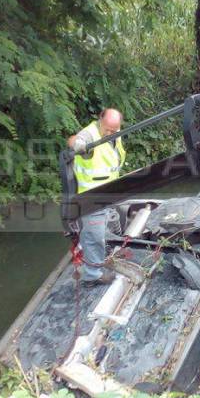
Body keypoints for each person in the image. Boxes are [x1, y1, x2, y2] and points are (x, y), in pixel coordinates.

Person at [66, 108, 125, 285]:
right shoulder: (90, 134)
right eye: (107, 129)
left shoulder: (116, 133)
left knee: (93, 233)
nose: (110, 133)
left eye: (114, 130)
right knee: (95, 236)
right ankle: (93, 275)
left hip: (107, 193)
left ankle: (88, 255)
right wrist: (78, 145)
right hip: (91, 197)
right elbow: (74, 140)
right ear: (100, 120)